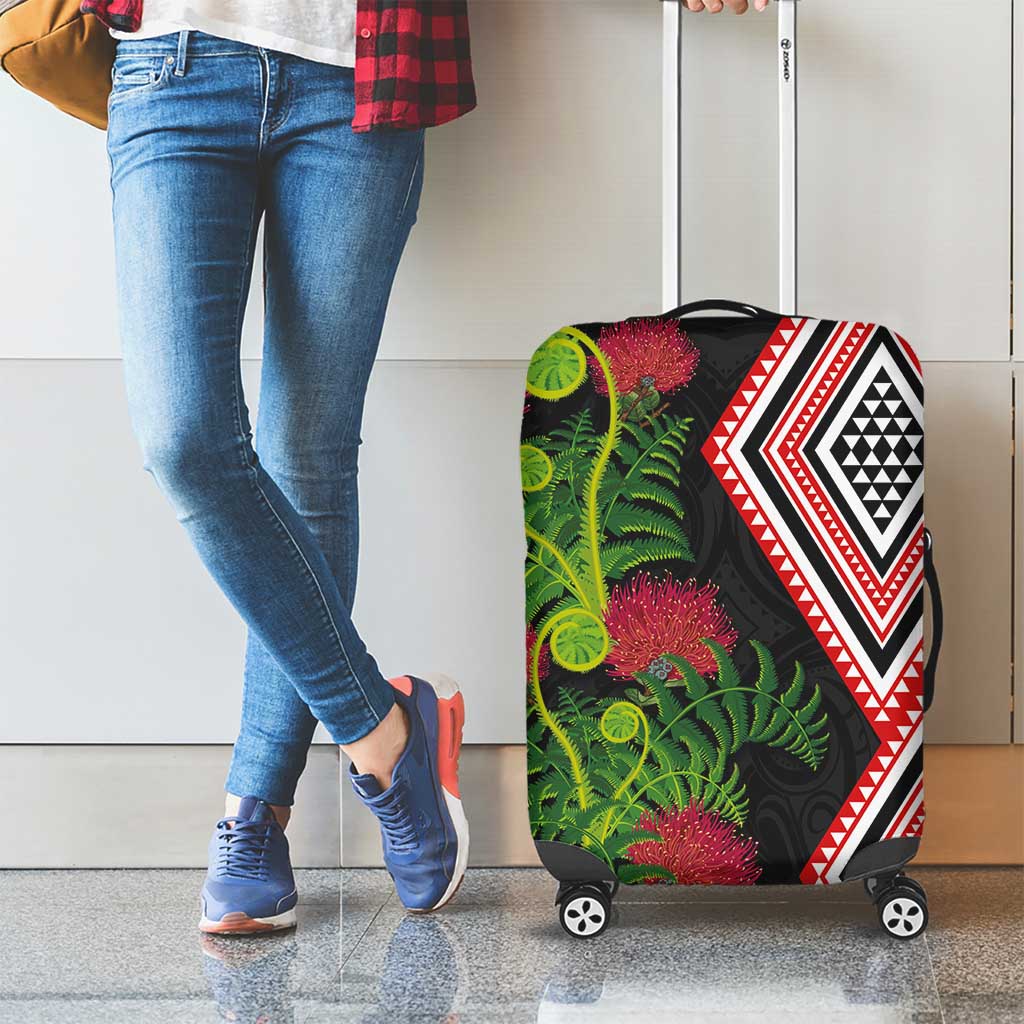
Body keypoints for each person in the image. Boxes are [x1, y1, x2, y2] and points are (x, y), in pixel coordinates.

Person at [84, 0, 767, 936]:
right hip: (174, 67)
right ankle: (384, 732)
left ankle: (256, 815)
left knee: (308, 457)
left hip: (356, 80)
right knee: (184, 439)